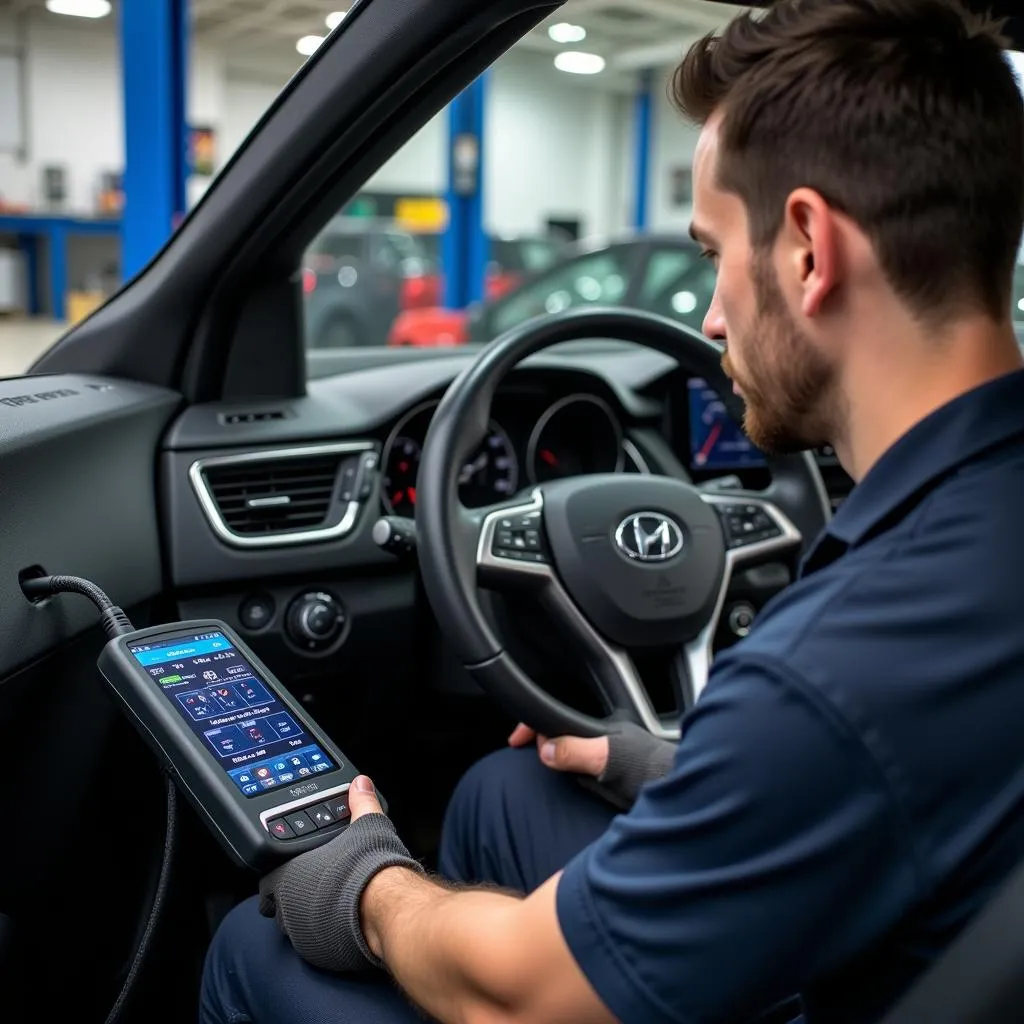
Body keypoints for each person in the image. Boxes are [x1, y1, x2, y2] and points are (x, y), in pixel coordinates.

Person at [201, 0, 1024, 1020]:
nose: (713, 317)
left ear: (809, 250)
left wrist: (366, 880)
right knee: (508, 792)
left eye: (715, 254)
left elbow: (516, 997)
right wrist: (689, 769)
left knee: (254, 943)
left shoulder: (837, 667)